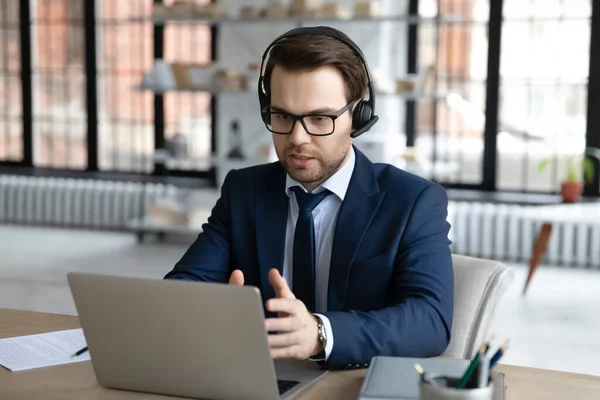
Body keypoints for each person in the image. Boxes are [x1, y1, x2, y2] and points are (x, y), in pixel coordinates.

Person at [164, 26, 454, 371]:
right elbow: (180, 290)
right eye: (283, 116)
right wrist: (211, 308)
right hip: (261, 379)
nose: (298, 138)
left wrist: (320, 333)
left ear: (357, 117)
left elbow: (431, 319)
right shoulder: (244, 190)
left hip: (353, 384)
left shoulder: (413, 201)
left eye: (320, 118)